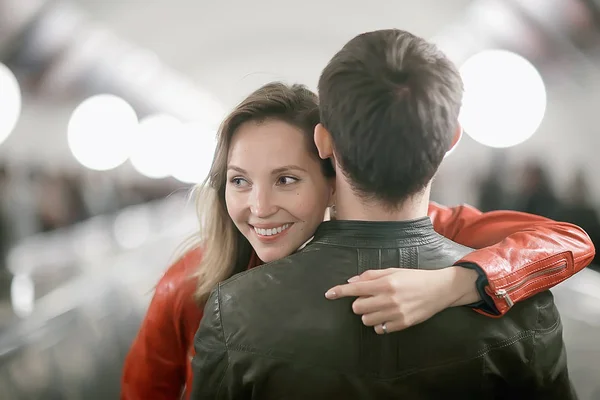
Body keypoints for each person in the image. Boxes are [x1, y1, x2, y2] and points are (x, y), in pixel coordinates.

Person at [121, 86, 594, 400]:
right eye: (239, 181)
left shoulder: (427, 227)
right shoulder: (189, 282)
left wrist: (459, 282)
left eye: (286, 180)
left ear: (334, 181)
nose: (259, 207)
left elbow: (566, 239)